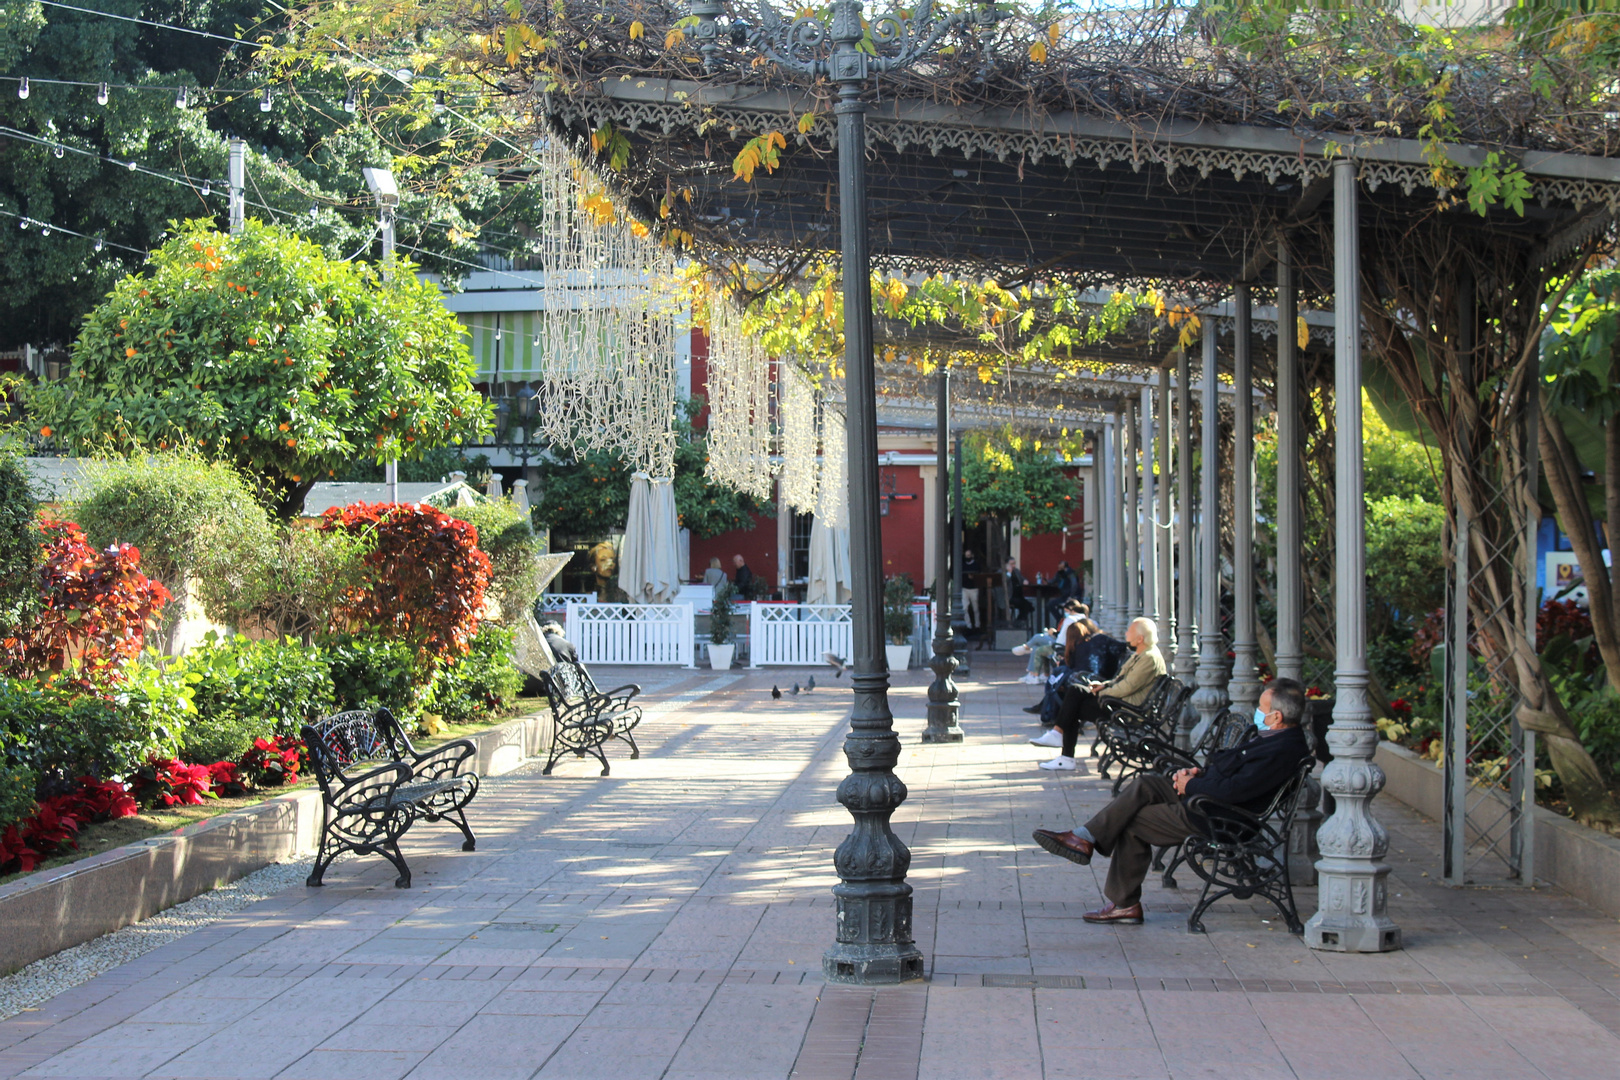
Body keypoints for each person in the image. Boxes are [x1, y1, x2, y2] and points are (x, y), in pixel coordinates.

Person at [1031, 678, 1312, 924]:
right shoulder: (1277, 736)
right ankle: (1084, 837)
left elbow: (1234, 791)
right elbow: (1235, 772)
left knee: (1133, 821)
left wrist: (1192, 785)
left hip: (1220, 816)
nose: (1257, 712)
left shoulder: (1282, 749)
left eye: (1262, 709)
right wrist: (1196, 774)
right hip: (1209, 796)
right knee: (1146, 784)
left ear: (1276, 716)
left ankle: (1124, 904)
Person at [1031, 616, 1165, 769]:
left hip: (1129, 710)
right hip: (1122, 703)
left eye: (1130, 631)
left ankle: (1063, 749)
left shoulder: (1149, 658)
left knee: (1073, 705)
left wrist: (1102, 692)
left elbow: (1127, 687)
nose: (1126, 634)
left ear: (1140, 638)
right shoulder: (1142, 654)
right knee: (1075, 693)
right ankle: (1059, 741)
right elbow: (1119, 679)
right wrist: (1103, 685)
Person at [1045, 561, 1078, 625]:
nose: (1058, 566)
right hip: (1063, 596)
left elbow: (1074, 585)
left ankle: (1063, 621)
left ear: (1064, 566)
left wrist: (1071, 596)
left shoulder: (1070, 573)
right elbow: (1053, 581)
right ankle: (1060, 619)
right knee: (1050, 604)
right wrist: (1047, 581)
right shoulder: (1059, 573)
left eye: (1060, 565)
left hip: (1071, 597)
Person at [1004, 557, 1033, 627]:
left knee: (1029, 606)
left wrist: (1025, 580)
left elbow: (1022, 578)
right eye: (1011, 564)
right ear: (1006, 565)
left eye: (1014, 564)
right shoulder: (1002, 572)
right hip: (1009, 597)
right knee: (1025, 606)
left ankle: (1018, 622)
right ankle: (1018, 623)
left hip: (1019, 596)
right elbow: (1004, 581)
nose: (1013, 566)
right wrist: (1009, 573)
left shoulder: (1016, 571)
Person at [961, 549, 983, 630]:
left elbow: (980, 575)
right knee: (964, 608)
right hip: (964, 588)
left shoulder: (976, 565)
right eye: (966, 556)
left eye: (969, 555)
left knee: (975, 608)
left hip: (974, 589)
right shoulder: (962, 565)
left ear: (972, 555)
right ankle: (968, 625)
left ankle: (977, 625)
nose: (967, 557)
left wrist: (974, 577)